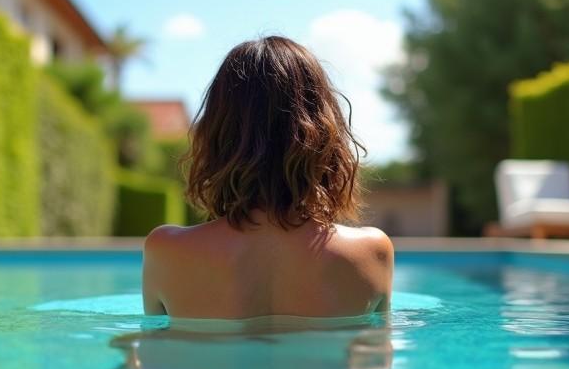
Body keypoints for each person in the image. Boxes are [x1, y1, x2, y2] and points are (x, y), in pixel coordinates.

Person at [143, 36, 393, 318]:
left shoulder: (165, 251)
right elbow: (376, 359)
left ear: (216, 137)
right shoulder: (373, 252)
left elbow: (154, 354)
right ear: (325, 134)